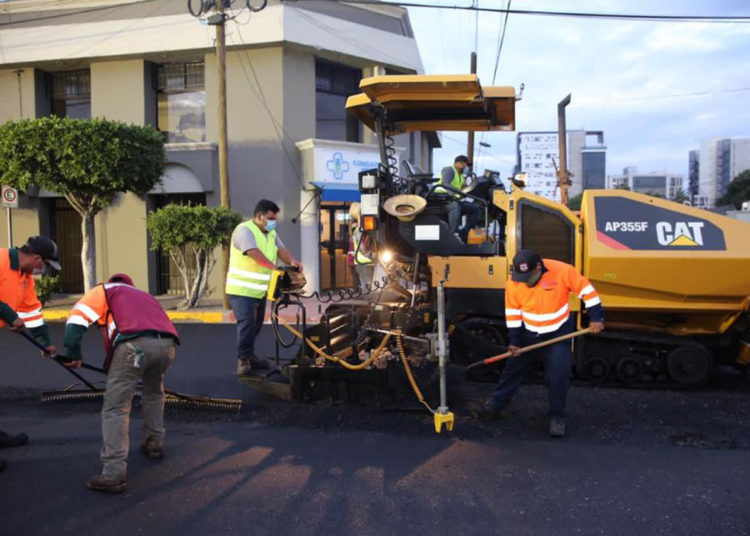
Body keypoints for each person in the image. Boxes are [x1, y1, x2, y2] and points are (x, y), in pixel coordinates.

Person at [57, 273, 180, 494]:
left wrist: (72, 352)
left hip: (134, 346)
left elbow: (76, 320)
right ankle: (154, 445)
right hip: (167, 345)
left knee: (116, 407)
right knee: (154, 394)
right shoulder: (144, 296)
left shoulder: (104, 290)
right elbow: (115, 346)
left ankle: (113, 474)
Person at [487, 249, 605, 438]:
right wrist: (515, 341)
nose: (524, 281)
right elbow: (513, 313)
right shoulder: (515, 282)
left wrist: (596, 318)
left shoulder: (563, 271)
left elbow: (589, 293)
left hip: (557, 333)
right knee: (513, 369)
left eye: (528, 276)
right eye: (520, 276)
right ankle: (496, 405)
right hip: (528, 334)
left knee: (558, 376)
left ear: (539, 267)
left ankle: (557, 417)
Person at [0, 236, 59, 472]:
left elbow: (32, 312)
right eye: (44, 265)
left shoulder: (25, 279)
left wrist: (45, 343)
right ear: (36, 258)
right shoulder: (0, 259)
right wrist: (8, 314)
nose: (42, 270)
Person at [226, 199, 303, 376]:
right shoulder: (244, 231)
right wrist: (274, 268)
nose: (273, 221)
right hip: (241, 290)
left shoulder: (270, 232)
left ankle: (250, 356)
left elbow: (280, 249)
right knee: (247, 323)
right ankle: (243, 360)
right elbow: (254, 253)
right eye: (270, 218)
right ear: (259, 216)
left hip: (259, 290)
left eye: (274, 218)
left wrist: (292, 261)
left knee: (256, 325)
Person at [434, 155, 480, 242]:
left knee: (475, 209)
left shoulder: (461, 176)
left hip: (452, 199)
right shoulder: (449, 170)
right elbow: (445, 184)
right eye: (465, 165)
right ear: (459, 163)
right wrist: (458, 192)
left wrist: (468, 187)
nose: (466, 167)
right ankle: (452, 234)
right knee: (455, 206)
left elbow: (461, 190)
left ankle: (465, 234)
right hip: (441, 199)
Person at [349, 202, 375, 288]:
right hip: (365, 260)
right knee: (368, 282)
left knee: (364, 282)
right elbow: (362, 247)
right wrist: (372, 255)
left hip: (359, 261)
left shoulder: (356, 230)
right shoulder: (360, 231)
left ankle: (365, 294)